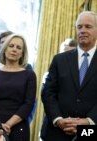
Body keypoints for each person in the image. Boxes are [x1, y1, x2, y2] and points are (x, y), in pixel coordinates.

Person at [41, 11, 97, 141]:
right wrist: (58, 119)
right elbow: (48, 92)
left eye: (88, 27)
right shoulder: (59, 60)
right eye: (79, 27)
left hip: (89, 131)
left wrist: (87, 122)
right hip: (57, 131)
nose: (82, 30)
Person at [0, 34, 37, 141]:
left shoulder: (29, 75)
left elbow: (28, 104)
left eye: (18, 47)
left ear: (22, 53)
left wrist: (8, 124)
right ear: (4, 49)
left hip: (18, 125)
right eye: (11, 46)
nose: (14, 50)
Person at [40, 38, 77, 141]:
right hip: (53, 128)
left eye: (71, 53)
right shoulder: (49, 74)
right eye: (65, 52)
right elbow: (47, 97)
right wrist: (59, 120)